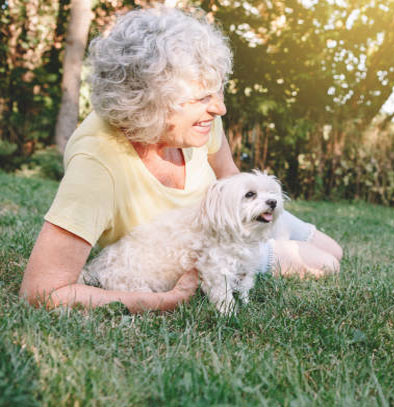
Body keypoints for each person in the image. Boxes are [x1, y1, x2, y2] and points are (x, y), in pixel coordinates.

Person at [19, 6, 342, 314]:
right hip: (203, 247)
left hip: (233, 220)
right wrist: (163, 300)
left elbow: (231, 177)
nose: (219, 110)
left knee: (334, 249)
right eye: (203, 97)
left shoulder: (198, 122)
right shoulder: (97, 165)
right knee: (325, 263)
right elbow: (41, 292)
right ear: (151, 102)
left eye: (217, 93)